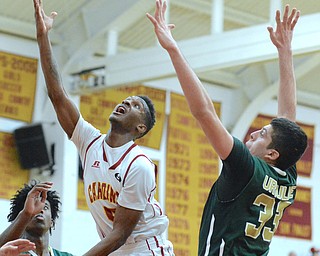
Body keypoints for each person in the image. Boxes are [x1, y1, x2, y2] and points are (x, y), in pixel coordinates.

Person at [147, 1, 307, 255]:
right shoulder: (287, 176)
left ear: (272, 154)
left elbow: (204, 112)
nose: (254, 133)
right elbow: (286, 118)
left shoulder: (246, 167)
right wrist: (285, 51)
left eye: (262, 134)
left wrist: (173, 49)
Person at [32, 0, 174, 255]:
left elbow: (119, 235)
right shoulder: (90, 142)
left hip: (146, 249)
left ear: (140, 128)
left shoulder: (139, 166)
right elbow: (57, 94)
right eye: (125, 100)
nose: (125, 103)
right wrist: (43, 37)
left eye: (135, 106)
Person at [0, 181, 74, 256]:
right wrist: (27, 213)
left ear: (52, 222)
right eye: (34, 205)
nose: (40, 210)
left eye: (45, 207)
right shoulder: (11, 253)